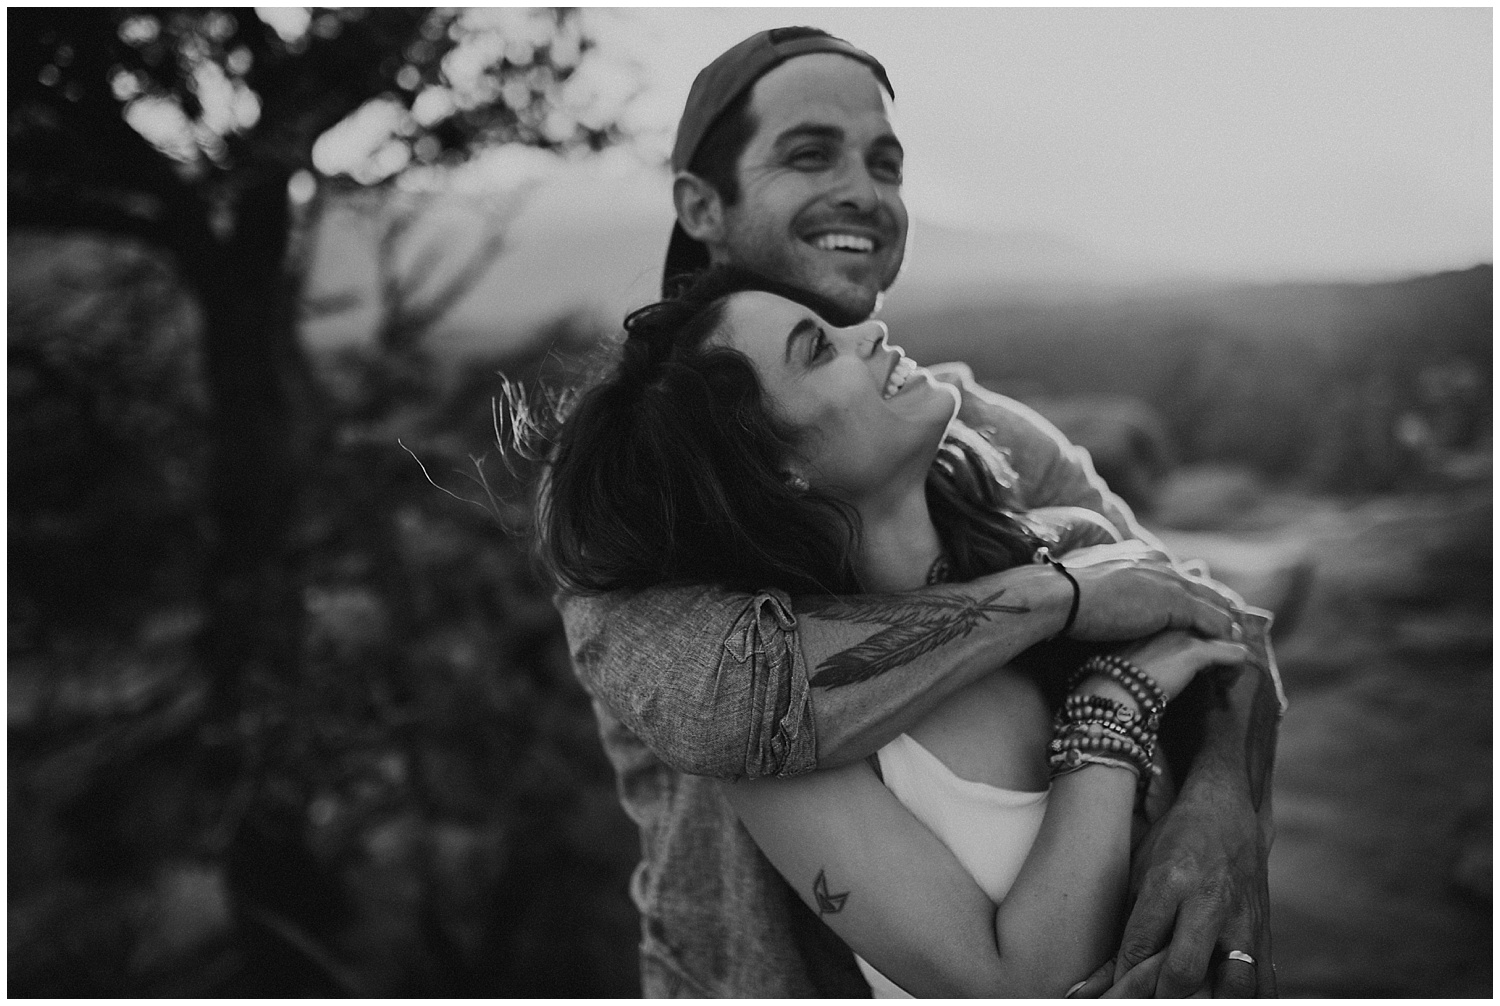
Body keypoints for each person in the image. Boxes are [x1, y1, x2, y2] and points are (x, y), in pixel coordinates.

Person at [555, 27, 1286, 997]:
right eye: (811, 153)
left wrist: (1221, 803)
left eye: (885, 161)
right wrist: (1061, 602)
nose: (864, 189)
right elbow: (740, 700)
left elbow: (1214, 630)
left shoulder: (983, 432)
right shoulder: (646, 491)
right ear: (701, 204)